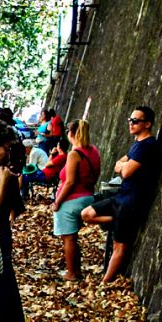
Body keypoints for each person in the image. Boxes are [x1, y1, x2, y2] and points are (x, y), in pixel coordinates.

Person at [81, 106, 162, 284]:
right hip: (121, 196)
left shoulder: (148, 146)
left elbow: (126, 172)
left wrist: (123, 167)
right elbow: (119, 165)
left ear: (147, 124)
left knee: (119, 246)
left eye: (135, 121)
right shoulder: (138, 145)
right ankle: (115, 221)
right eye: (130, 120)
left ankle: (105, 282)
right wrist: (123, 167)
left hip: (132, 201)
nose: (131, 123)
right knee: (86, 214)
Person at [51, 119, 100, 282]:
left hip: (71, 200)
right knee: (73, 237)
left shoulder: (74, 154)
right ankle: (76, 270)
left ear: (71, 133)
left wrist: (58, 201)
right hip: (87, 197)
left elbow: (70, 182)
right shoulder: (94, 151)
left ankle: (72, 273)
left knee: (68, 238)